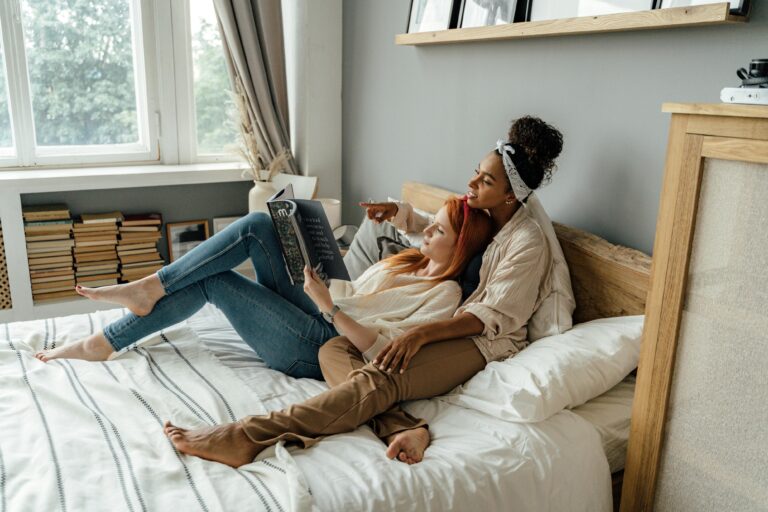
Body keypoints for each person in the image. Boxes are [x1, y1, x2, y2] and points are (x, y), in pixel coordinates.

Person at [160, 115, 565, 467]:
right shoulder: (487, 209)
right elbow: (447, 229)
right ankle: (405, 428)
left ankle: (247, 437)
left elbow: (491, 316)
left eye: (485, 179)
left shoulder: (527, 241)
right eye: (477, 170)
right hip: (459, 324)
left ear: (511, 194)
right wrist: (401, 215)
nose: (472, 181)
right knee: (333, 350)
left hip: (482, 340)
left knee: (380, 377)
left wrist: (419, 333)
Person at [35, 198, 494, 386]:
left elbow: (377, 350)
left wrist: (327, 305)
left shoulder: (445, 297)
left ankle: (117, 325)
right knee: (261, 224)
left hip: (323, 345)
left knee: (218, 278)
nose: (425, 232)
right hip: (320, 310)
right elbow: (363, 280)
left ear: (461, 245)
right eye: (429, 224)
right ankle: (139, 300)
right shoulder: (408, 259)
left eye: (437, 230)